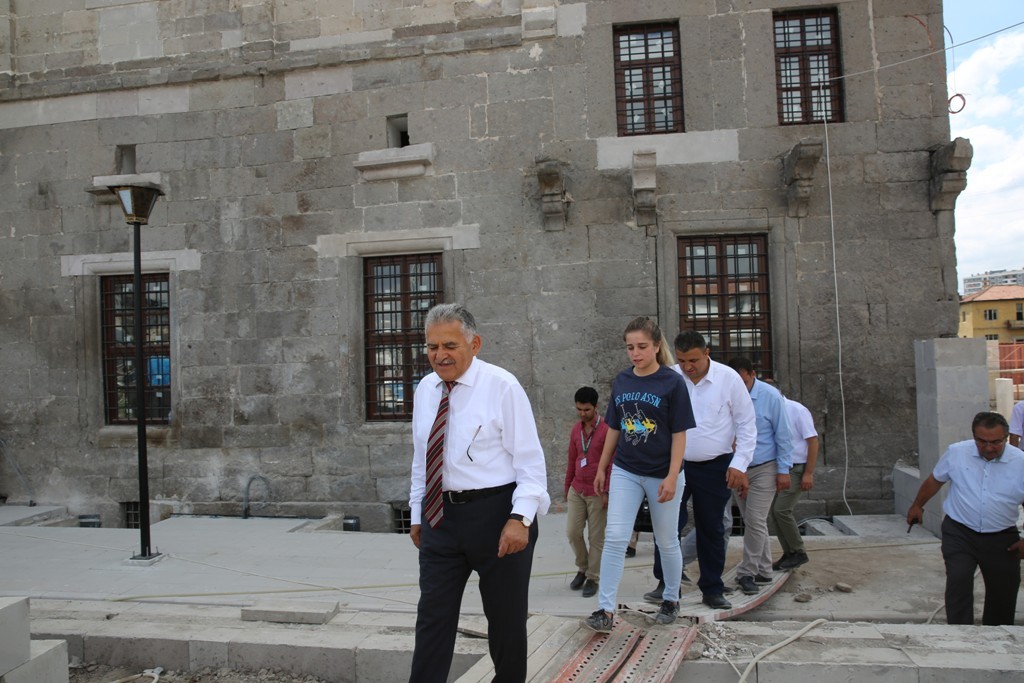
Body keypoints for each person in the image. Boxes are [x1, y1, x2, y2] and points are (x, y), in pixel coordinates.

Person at [408, 303, 550, 683]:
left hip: (497, 516)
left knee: (505, 624)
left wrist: (521, 519)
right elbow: (422, 456)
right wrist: (417, 513)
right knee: (432, 620)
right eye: (432, 346)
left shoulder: (502, 386)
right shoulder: (425, 389)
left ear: (475, 344)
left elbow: (531, 465)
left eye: (450, 345)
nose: (440, 355)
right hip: (441, 518)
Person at [582, 316, 695, 633]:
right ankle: (605, 609)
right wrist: (603, 466)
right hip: (626, 470)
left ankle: (671, 599)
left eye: (642, 346)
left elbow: (679, 434)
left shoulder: (672, 383)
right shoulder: (622, 380)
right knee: (615, 537)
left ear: (657, 346)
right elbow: (614, 428)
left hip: (662, 473)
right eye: (630, 347)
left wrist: (673, 476)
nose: (635, 353)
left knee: (666, 539)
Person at [906, 411, 1024, 626]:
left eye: (996, 442)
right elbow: (935, 480)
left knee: (1003, 590)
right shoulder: (957, 453)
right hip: (960, 532)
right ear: (974, 437)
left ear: (1006, 438)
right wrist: (917, 506)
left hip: (1002, 538)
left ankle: (995, 637)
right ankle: (960, 633)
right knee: (958, 581)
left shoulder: (1020, 463)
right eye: (982, 441)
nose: (988, 447)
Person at [673, 332, 756, 610]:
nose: (687, 367)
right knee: (669, 526)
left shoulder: (729, 378)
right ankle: (667, 587)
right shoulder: (671, 378)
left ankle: (712, 588)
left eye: (693, 360)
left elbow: (746, 424)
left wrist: (739, 464)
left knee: (711, 528)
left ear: (707, 352)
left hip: (716, 465)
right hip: (677, 465)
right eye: (682, 360)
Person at [726, 357, 793, 595]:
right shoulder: (728, 394)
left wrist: (784, 470)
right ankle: (764, 570)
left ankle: (747, 572)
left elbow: (784, 434)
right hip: (737, 468)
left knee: (754, 519)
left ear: (753, 374)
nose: (740, 387)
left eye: (744, 381)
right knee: (754, 522)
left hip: (765, 466)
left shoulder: (770, 396)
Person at [564, 386, 611, 598]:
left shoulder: (607, 429)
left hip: (597, 491)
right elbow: (572, 460)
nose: (582, 414)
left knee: (596, 537)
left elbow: (611, 463)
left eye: (586, 410)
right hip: (577, 488)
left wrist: (607, 492)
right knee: (573, 533)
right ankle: (582, 567)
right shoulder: (576, 430)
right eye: (579, 410)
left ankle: (593, 577)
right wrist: (567, 488)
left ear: (596, 407)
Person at [769, 394, 819, 570]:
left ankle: (798, 551)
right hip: (781, 468)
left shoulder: (797, 410)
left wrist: (808, 473)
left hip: (797, 468)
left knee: (781, 510)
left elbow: (812, 441)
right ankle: (789, 552)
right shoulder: (771, 410)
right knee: (774, 514)